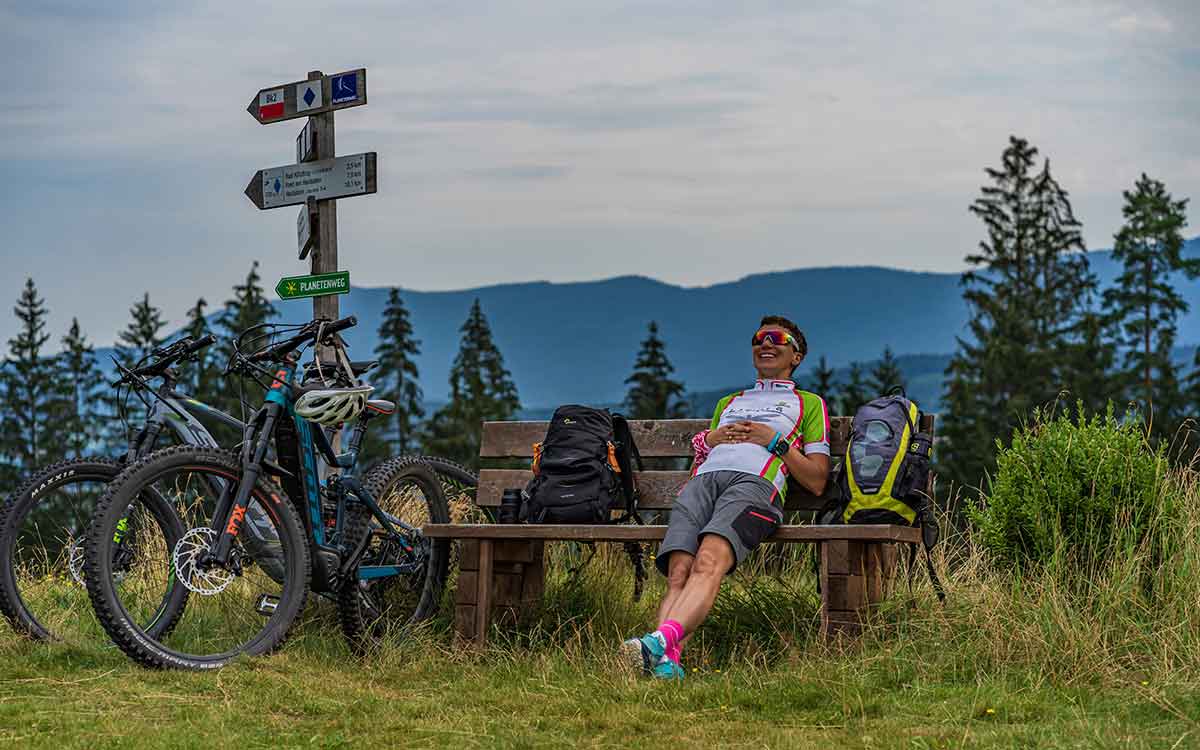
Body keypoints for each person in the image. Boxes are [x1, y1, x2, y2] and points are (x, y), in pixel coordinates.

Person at [621, 315, 831, 679]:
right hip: (703, 484)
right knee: (679, 572)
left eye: (777, 338)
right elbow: (701, 458)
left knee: (707, 562)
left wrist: (774, 441)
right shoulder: (729, 402)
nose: (765, 344)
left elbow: (816, 480)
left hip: (755, 486)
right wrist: (707, 442)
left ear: (796, 356)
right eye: (758, 339)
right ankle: (668, 665)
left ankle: (657, 643)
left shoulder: (809, 404)